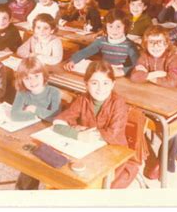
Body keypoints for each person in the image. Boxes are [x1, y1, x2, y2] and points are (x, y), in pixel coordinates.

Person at [53, 60, 139, 188]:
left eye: (105, 83)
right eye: (94, 83)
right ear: (86, 84)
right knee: (64, 174)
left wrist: (83, 129)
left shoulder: (118, 103)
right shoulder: (82, 99)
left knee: (94, 186)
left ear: (112, 84)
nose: (100, 88)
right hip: (88, 149)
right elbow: (58, 124)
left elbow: (112, 134)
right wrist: (78, 135)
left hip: (114, 153)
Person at [130, 26, 177, 173]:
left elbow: (172, 82)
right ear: (145, 44)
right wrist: (155, 75)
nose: (155, 46)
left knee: (176, 128)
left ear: (166, 44)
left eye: (159, 42)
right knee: (132, 116)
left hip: (173, 99)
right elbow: (134, 77)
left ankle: (164, 161)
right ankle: (147, 158)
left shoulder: (173, 58)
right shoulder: (143, 57)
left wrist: (147, 76)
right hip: (149, 99)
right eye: (151, 42)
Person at [11, 57, 61, 190]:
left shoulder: (54, 92)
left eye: (36, 76)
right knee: (28, 158)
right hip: (31, 133)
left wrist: (34, 109)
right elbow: (15, 115)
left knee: (39, 160)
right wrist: (39, 115)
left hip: (50, 135)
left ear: (44, 75)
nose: (32, 82)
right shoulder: (22, 93)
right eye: (27, 78)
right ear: (21, 80)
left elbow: (54, 116)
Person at [64, 9, 139, 77]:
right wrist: (73, 60)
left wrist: (123, 71)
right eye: (110, 26)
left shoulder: (129, 45)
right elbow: (86, 51)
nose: (114, 30)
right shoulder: (102, 41)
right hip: (104, 71)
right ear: (106, 27)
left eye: (118, 27)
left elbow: (137, 64)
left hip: (120, 74)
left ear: (125, 27)